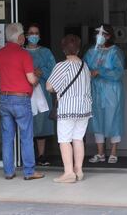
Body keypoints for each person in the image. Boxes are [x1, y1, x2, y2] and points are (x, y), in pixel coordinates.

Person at [0, 23, 44, 180]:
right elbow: (31, 79)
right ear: (20, 37)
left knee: (7, 137)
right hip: (21, 99)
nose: (25, 38)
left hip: (4, 99)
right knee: (26, 136)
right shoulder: (24, 55)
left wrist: (9, 77)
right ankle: (29, 172)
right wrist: (37, 77)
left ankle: (8, 171)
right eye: (23, 35)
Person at [46, 34, 92, 183]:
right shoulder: (85, 66)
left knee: (65, 140)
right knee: (78, 138)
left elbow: (49, 86)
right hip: (84, 108)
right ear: (78, 49)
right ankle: (79, 169)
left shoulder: (62, 66)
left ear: (63, 49)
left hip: (67, 108)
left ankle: (68, 172)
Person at [84, 24, 125, 164]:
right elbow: (84, 69)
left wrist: (101, 72)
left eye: (103, 34)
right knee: (97, 120)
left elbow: (118, 72)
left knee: (113, 118)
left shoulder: (115, 52)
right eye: (98, 34)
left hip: (112, 90)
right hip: (95, 90)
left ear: (109, 36)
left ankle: (114, 152)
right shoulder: (90, 52)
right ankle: (100, 153)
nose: (100, 37)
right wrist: (90, 73)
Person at [25, 23, 56, 166]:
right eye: (31, 33)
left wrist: (41, 71)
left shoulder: (46, 52)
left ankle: (41, 155)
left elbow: (54, 70)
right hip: (26, 91)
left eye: (36, 33)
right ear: (25, 35)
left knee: (41, 122)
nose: (34, 35)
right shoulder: (21, 52)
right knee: (27, 122)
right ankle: (27, 156)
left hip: (43, 91)